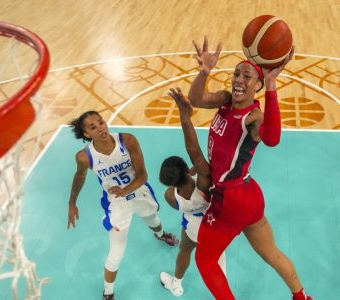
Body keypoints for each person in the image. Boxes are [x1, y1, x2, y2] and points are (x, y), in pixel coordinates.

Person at [188, 37, 312, 300]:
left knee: (205, 260)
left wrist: (271, 84)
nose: (239, 80)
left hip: (230, 200)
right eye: (236, 74)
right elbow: (196, 98)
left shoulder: (253, 116)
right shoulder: (224, 100)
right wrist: (204, 72)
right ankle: (302, 297)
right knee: (271, 253)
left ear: (256, 85)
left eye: (247, 76)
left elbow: (273, 139)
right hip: (248, 195)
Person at [67, 111, 179, 300]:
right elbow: (79, 177)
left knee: (154, 220)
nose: (100, 127)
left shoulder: (127, 140)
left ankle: (160, 235)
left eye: (101, 122)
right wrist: (72, 203)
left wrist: (125, 190)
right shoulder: (84, 157)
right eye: (93, 127)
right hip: (116, 204)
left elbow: (143, 175)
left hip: (139, 191)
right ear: (86, 134)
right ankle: (108, 293)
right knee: (116, 251)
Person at [158, 87, 226, 297]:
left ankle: (176, 284)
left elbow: (179, 182)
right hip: (215, 222)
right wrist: (185, 115)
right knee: (218, 263)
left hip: (193, 225)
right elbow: (195, 152)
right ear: (187, 171)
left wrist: (188, 172)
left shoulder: (170, 197)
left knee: (185, 250)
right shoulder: (203, 183)